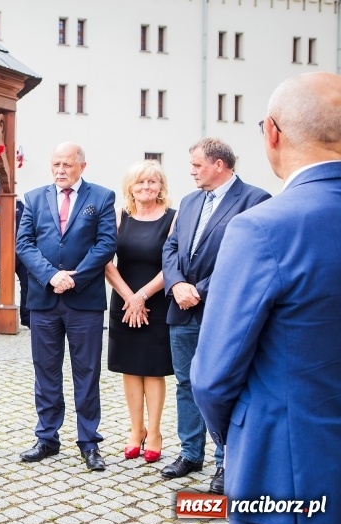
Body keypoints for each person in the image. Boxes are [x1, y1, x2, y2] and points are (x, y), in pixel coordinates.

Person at [193, 72, 341, 524]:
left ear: (272, 132)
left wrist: (236, 436)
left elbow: (213, 376)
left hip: (289, 473)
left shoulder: (263, 227)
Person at [161, 138, 270, 495]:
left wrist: (200, 290)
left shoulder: (255, 200)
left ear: (219, 165)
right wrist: (177, 284)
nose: (191, 171)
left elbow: (244, 258)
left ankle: (226, 461)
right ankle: (191, 453)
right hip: (181, 309)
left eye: (197, 164)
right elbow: (172, 246)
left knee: (223, 384)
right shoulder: (190, 201)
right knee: (185, 384)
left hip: (224, 310)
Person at [15, 142, 117, 470]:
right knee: (46, 370)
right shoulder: (33, 198)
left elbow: (106, 244)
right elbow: (24, 244)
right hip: (44, 300)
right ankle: (47, 437)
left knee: (86, 372)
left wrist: (76, 278)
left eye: (67, 165)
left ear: (82, 167)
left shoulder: (101, 198)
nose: (60, 170)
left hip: (84, 301)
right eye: (56, 163)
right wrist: (51, 276)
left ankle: (89, 442)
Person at [105, 160, 175, 464]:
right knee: (130, 367)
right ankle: (136, 431)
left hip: (156, 301)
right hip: (123, 298)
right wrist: (129, 298)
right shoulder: (119, 216)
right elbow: (106, 262)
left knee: (154, 369)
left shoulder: (173, 218)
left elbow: (173, 263)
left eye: (152, 182)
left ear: (161, 187)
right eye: (140, 183)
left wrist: (142, 296)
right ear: (130, 188)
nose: (146, 187)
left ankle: (156, 432)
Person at [0, 182, 29, 328]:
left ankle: (27, 316)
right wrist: (7, 205)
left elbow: (27, 221)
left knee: (28, 283)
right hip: (2, 254)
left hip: (21, 252)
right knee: (4, 285)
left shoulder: (18, 205)